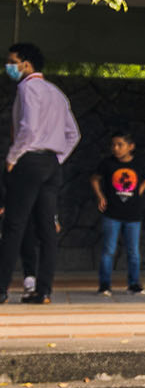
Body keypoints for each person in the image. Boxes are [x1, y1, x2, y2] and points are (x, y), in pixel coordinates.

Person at [2, 42, 80, 303]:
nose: (9, 66)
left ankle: (1, 288)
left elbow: (29, 128)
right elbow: (73, 134)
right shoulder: (56, 92)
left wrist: (13, 157)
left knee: (14, 225)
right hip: (50, 165)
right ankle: (43, 290)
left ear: (26, 63)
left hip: (29, 161)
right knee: (47, 229)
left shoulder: (27, 87)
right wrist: (57, 158)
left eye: (12, 61)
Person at [91, 130, 145, 296]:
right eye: (113, 145)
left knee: (133, 251)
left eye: (120, 145)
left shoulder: (139, 164)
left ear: (130, 147)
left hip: (133, 214)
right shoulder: (107, 164)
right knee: (109, 250)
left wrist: (140, 190)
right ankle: (104, 285)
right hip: (112, 213)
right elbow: (95, 179)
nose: (116, 148)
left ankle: (134, 284)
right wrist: (100, 196)